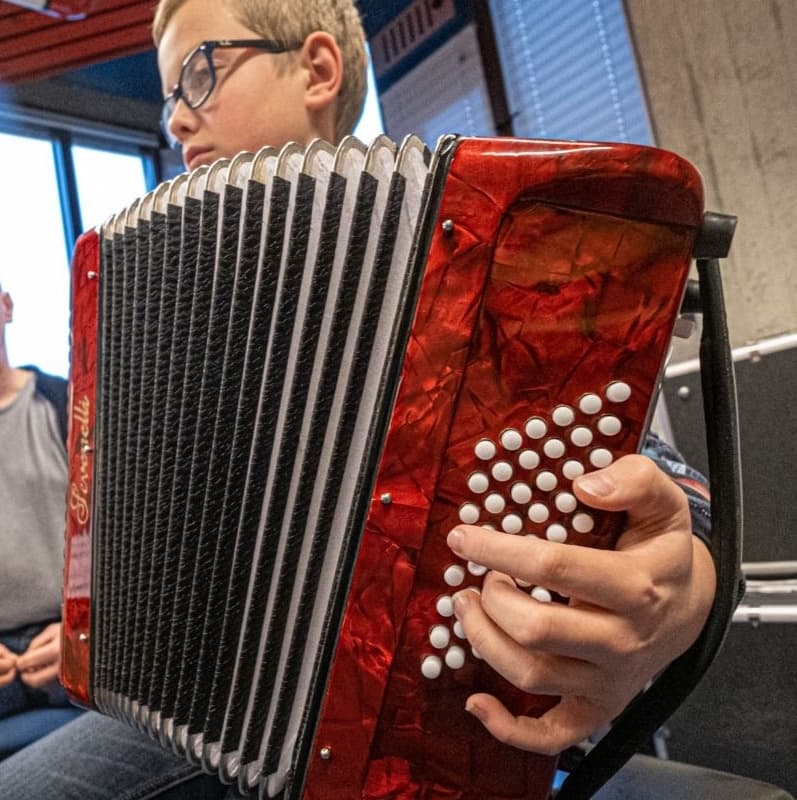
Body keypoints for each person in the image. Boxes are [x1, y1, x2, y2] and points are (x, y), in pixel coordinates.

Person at [0, 1, 789, 798]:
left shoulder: (518, 231)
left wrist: (682, 586)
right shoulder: (156, 296)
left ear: (316, 67)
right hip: (196, 700)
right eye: (166, 94)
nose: (175, 118)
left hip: (433, 717)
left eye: (198, 74)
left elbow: (662, 486)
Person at [0, 280, 75, 737]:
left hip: (77, 648)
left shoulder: (71, 408)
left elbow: (136, 548)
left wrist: (88, 632)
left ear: (6, 306)